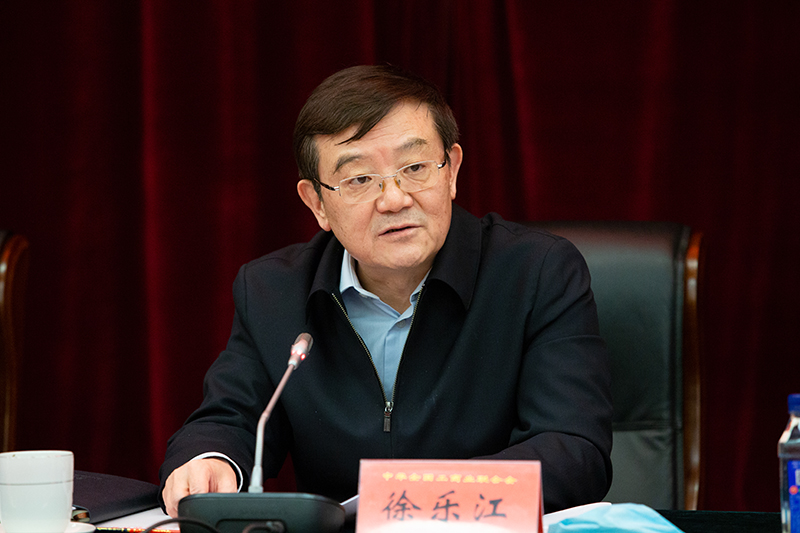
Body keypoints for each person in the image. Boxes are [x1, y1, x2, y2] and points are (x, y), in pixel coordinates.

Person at [159, 64, 613, 517]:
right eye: (359, 179)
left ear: (452, 171)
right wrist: (209, 460)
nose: (394, 199)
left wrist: (414, 503)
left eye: (414, 168)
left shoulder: (536, 273)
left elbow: (573, 450)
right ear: (317, 203)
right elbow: (231, 418)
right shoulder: (273, 293)